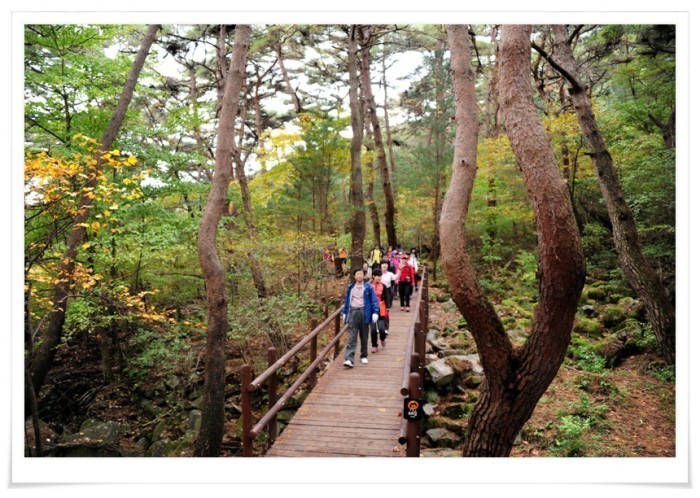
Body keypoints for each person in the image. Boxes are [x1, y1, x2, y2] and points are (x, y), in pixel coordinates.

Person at [342, 268, 379, 367]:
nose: (360, 276)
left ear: (364, 276)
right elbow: (347, 301)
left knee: (364, 335)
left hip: (364, 311)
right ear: (354, 276)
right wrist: (345, 312)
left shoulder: (368, 287)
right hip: (353, 312)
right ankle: (349, 359)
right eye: (358, 274)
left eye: (361, 274)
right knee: (352, 335)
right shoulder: (350, 287)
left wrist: (375, 312)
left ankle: (364, 355)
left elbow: (374, 301)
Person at [369, 268, 390, 352]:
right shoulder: (368, 286)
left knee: (381, 328)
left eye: (380, 276)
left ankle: (382, 338)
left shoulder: (383, 286)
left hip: (381, 308)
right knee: (373, 329)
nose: (379, 278)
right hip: (371, 309)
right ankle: (374, 345)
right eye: (377, 276)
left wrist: (387, 308)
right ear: (373, 276)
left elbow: (387, 297)